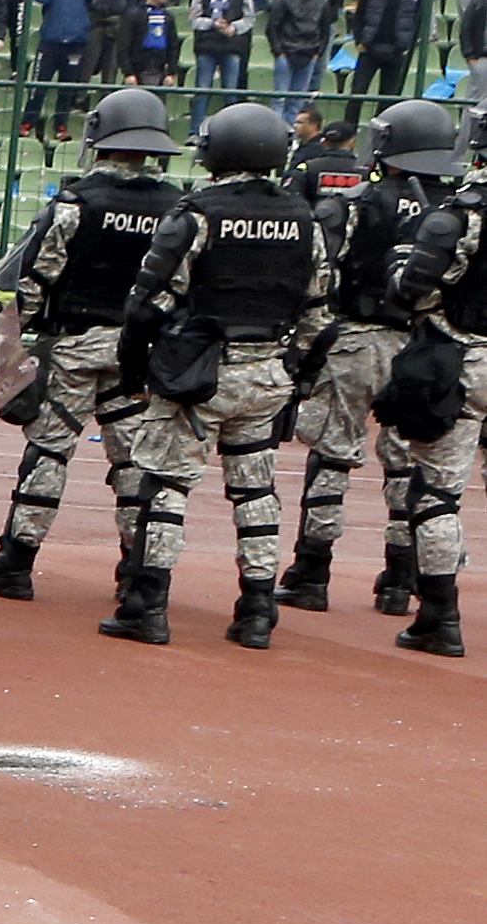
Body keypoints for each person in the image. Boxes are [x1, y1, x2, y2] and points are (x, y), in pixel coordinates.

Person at [99, 102, 333, 649]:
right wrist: (295, 374)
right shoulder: (304, 218)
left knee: (166, 489)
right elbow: (320, 316)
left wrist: (138, 371)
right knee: (256, 494)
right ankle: (256, 610)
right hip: (268, 372)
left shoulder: (198, 215)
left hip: (197, 376)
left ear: (214, 151)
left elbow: (145, 305)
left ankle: (147, 606)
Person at [0, 89, 186, 603]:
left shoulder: (76, 203)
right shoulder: (177, 205)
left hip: (74, 347)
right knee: (134, 462)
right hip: (140, 351)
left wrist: (14, 349)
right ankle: (138, 570)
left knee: (48, 452)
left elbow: (32, 280)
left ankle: (15, 563)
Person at [292, 100, 461, 620]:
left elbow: (322, 270)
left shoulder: (359, 201)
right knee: (409, 465)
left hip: (359, 338)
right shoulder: (456, 209)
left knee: (334, 453)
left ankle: (312, 572)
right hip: (425, 344)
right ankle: (398, 578)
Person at [367, 118, 479, 656]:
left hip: (463, 360)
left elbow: (408, 293)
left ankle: (439, 616)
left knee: (434, 493)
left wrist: (400, 261)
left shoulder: (459, 216)